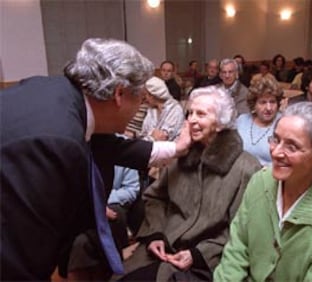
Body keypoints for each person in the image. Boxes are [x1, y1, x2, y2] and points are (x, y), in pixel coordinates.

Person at [0, 38, 190, 280]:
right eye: (141, 99)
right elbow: (20, 257)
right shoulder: (57, 142)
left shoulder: (60, 94)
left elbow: (108, 146)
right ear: (119, 94)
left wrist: (175, 147)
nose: (142, 106)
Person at [114, 86, 261, 281]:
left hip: (209, 257)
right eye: (190, 113)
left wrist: (199, 253)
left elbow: (242, 230)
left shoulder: (246, 168)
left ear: (220, 122)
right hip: (165, 245)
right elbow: (155, 197)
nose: (191, 119)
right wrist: (155, 234)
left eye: (201, 114)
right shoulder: (181, 156)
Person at [214, 102, 312, 281]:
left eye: (292, 147)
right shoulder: (260, 181)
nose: (276, 152)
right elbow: (237, 247)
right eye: (276, 139)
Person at [236, 75, 281, 166]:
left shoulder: (283, 123)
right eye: (263, 102)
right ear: (254, 104)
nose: (268, 108)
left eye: (272, 102)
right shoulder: (242, 120)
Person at [139, 76, 185, 142]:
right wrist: (151, 136)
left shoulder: (175, 109)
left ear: (152, 96)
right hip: (148, 148)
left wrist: (151, 136)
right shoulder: (151, 109)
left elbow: (164, 138)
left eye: (145, 95)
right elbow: (144, 133)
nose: (144, 99)